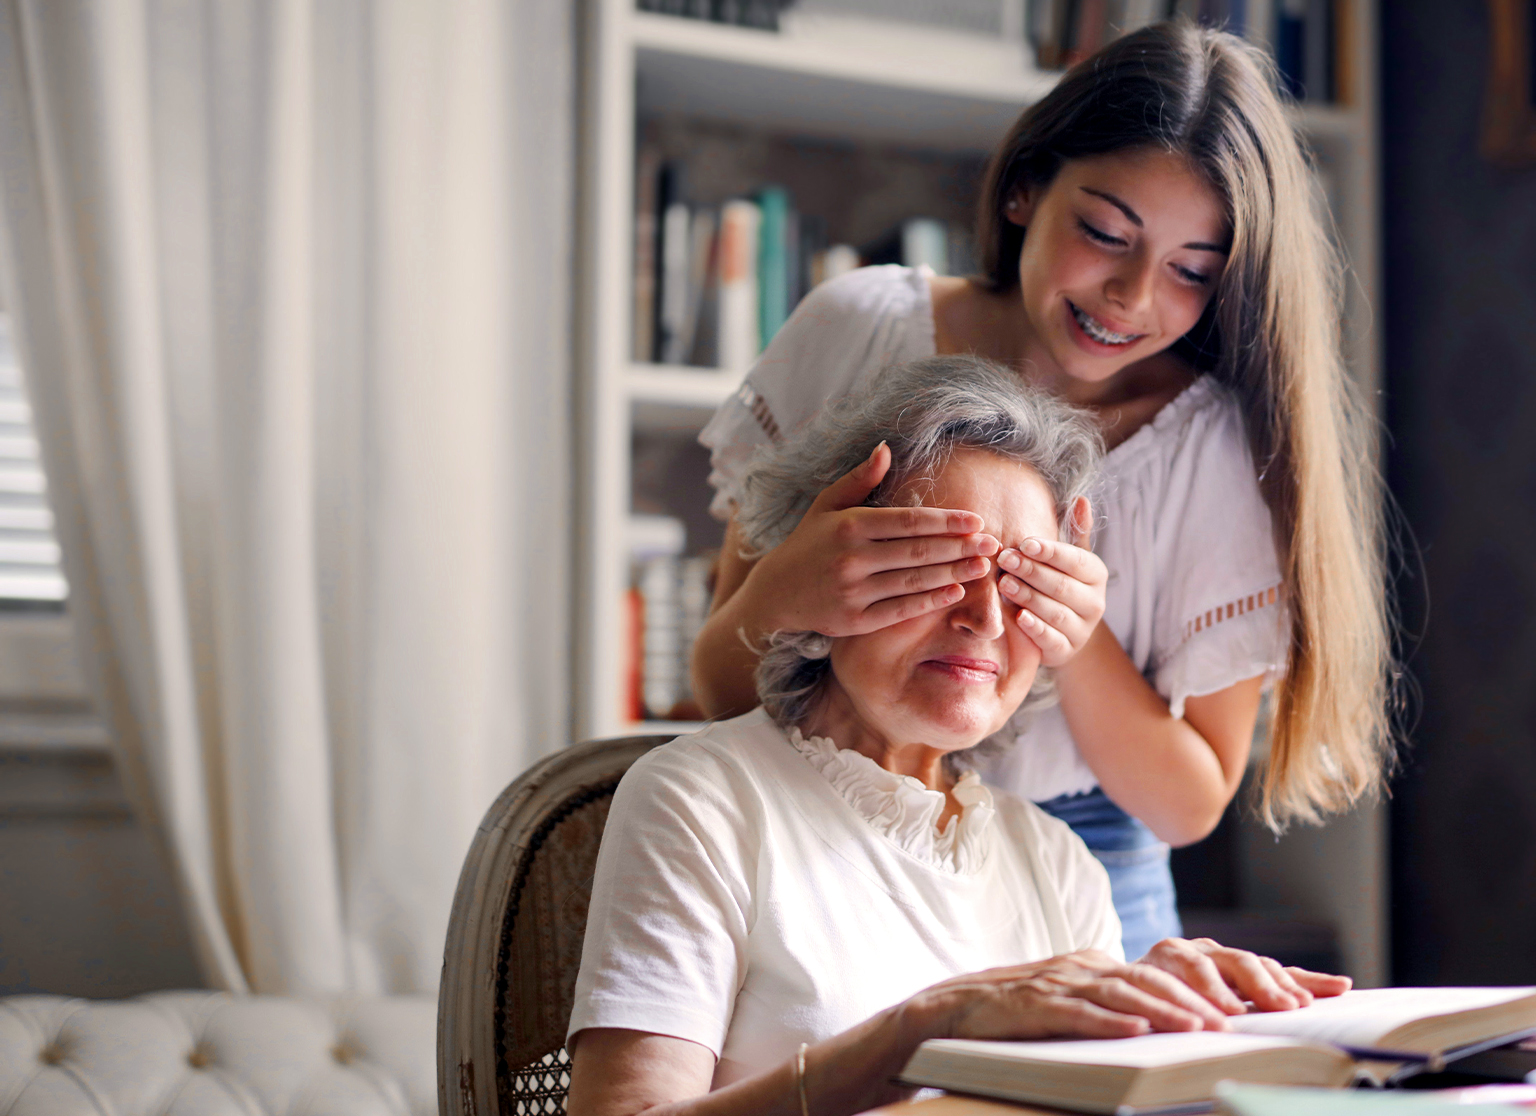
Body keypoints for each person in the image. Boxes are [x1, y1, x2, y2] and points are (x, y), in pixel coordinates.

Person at [691, 21, 1392, 960]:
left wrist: (1069, 627)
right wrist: (785, 593)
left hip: (1090, 872)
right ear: (1024, 188)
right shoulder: (857, 329)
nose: (1130, 295)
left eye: (1191, 271)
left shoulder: (1213, 450)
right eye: (1104, 233)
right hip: (828, 834)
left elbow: (1189, 805)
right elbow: (718, 689)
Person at [566, 358, 1350, 1116]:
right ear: (830, 574)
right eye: (938, 566)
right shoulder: (701, 804)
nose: (986, 618)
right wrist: (922, 1029)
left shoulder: (1058, 865)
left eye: (1023, 581)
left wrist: (1187, 1029)